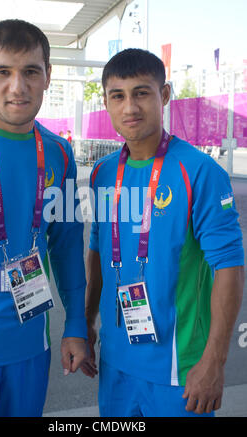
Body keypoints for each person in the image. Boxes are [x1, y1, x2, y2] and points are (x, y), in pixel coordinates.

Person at [81, 49, 245, 417]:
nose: (130, 107)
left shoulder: (199, 171)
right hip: (116, 365)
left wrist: (214, 362)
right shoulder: (103, 173)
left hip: (179, 371)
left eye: (141, 92)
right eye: (118, 96)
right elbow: (98, 250)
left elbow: (229, 267)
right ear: (106, 101)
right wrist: (87, 322)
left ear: (164, 95)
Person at [0, 19, 87, 417]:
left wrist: (76, 322)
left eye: (30, 71)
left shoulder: (58, 153)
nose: (17, 86)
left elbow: (65, 246)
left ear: (47, 76)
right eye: (3, 72)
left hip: (29, 347)